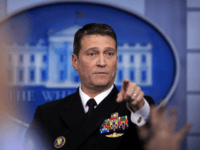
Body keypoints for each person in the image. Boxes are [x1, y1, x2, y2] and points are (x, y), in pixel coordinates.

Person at [25, 23, 155, 150]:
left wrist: (140, 108)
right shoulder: (47, 115)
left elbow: (151, 133)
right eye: (92, 54)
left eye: (109, 53)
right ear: (75, 62)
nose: (102, 62)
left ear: (116, 60)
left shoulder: (134, 108)